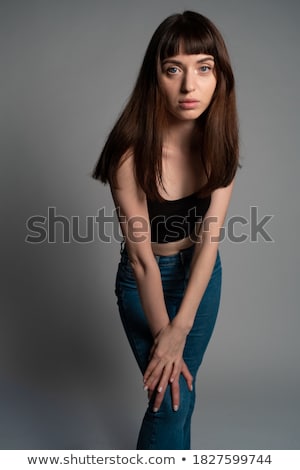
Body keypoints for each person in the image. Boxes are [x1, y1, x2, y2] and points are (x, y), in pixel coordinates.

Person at [91, 10, 239, 450]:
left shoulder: (219, 142)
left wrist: (183, 326)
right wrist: (164, 334)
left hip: (200, 277)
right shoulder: (129, 153)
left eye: (203, 68)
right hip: (145, 282)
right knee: (170, 397)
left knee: (181, 396)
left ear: (219, 76)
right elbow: (140, 261)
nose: (189, 86)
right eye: (173, 69)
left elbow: (210, 242)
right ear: (155, 77)